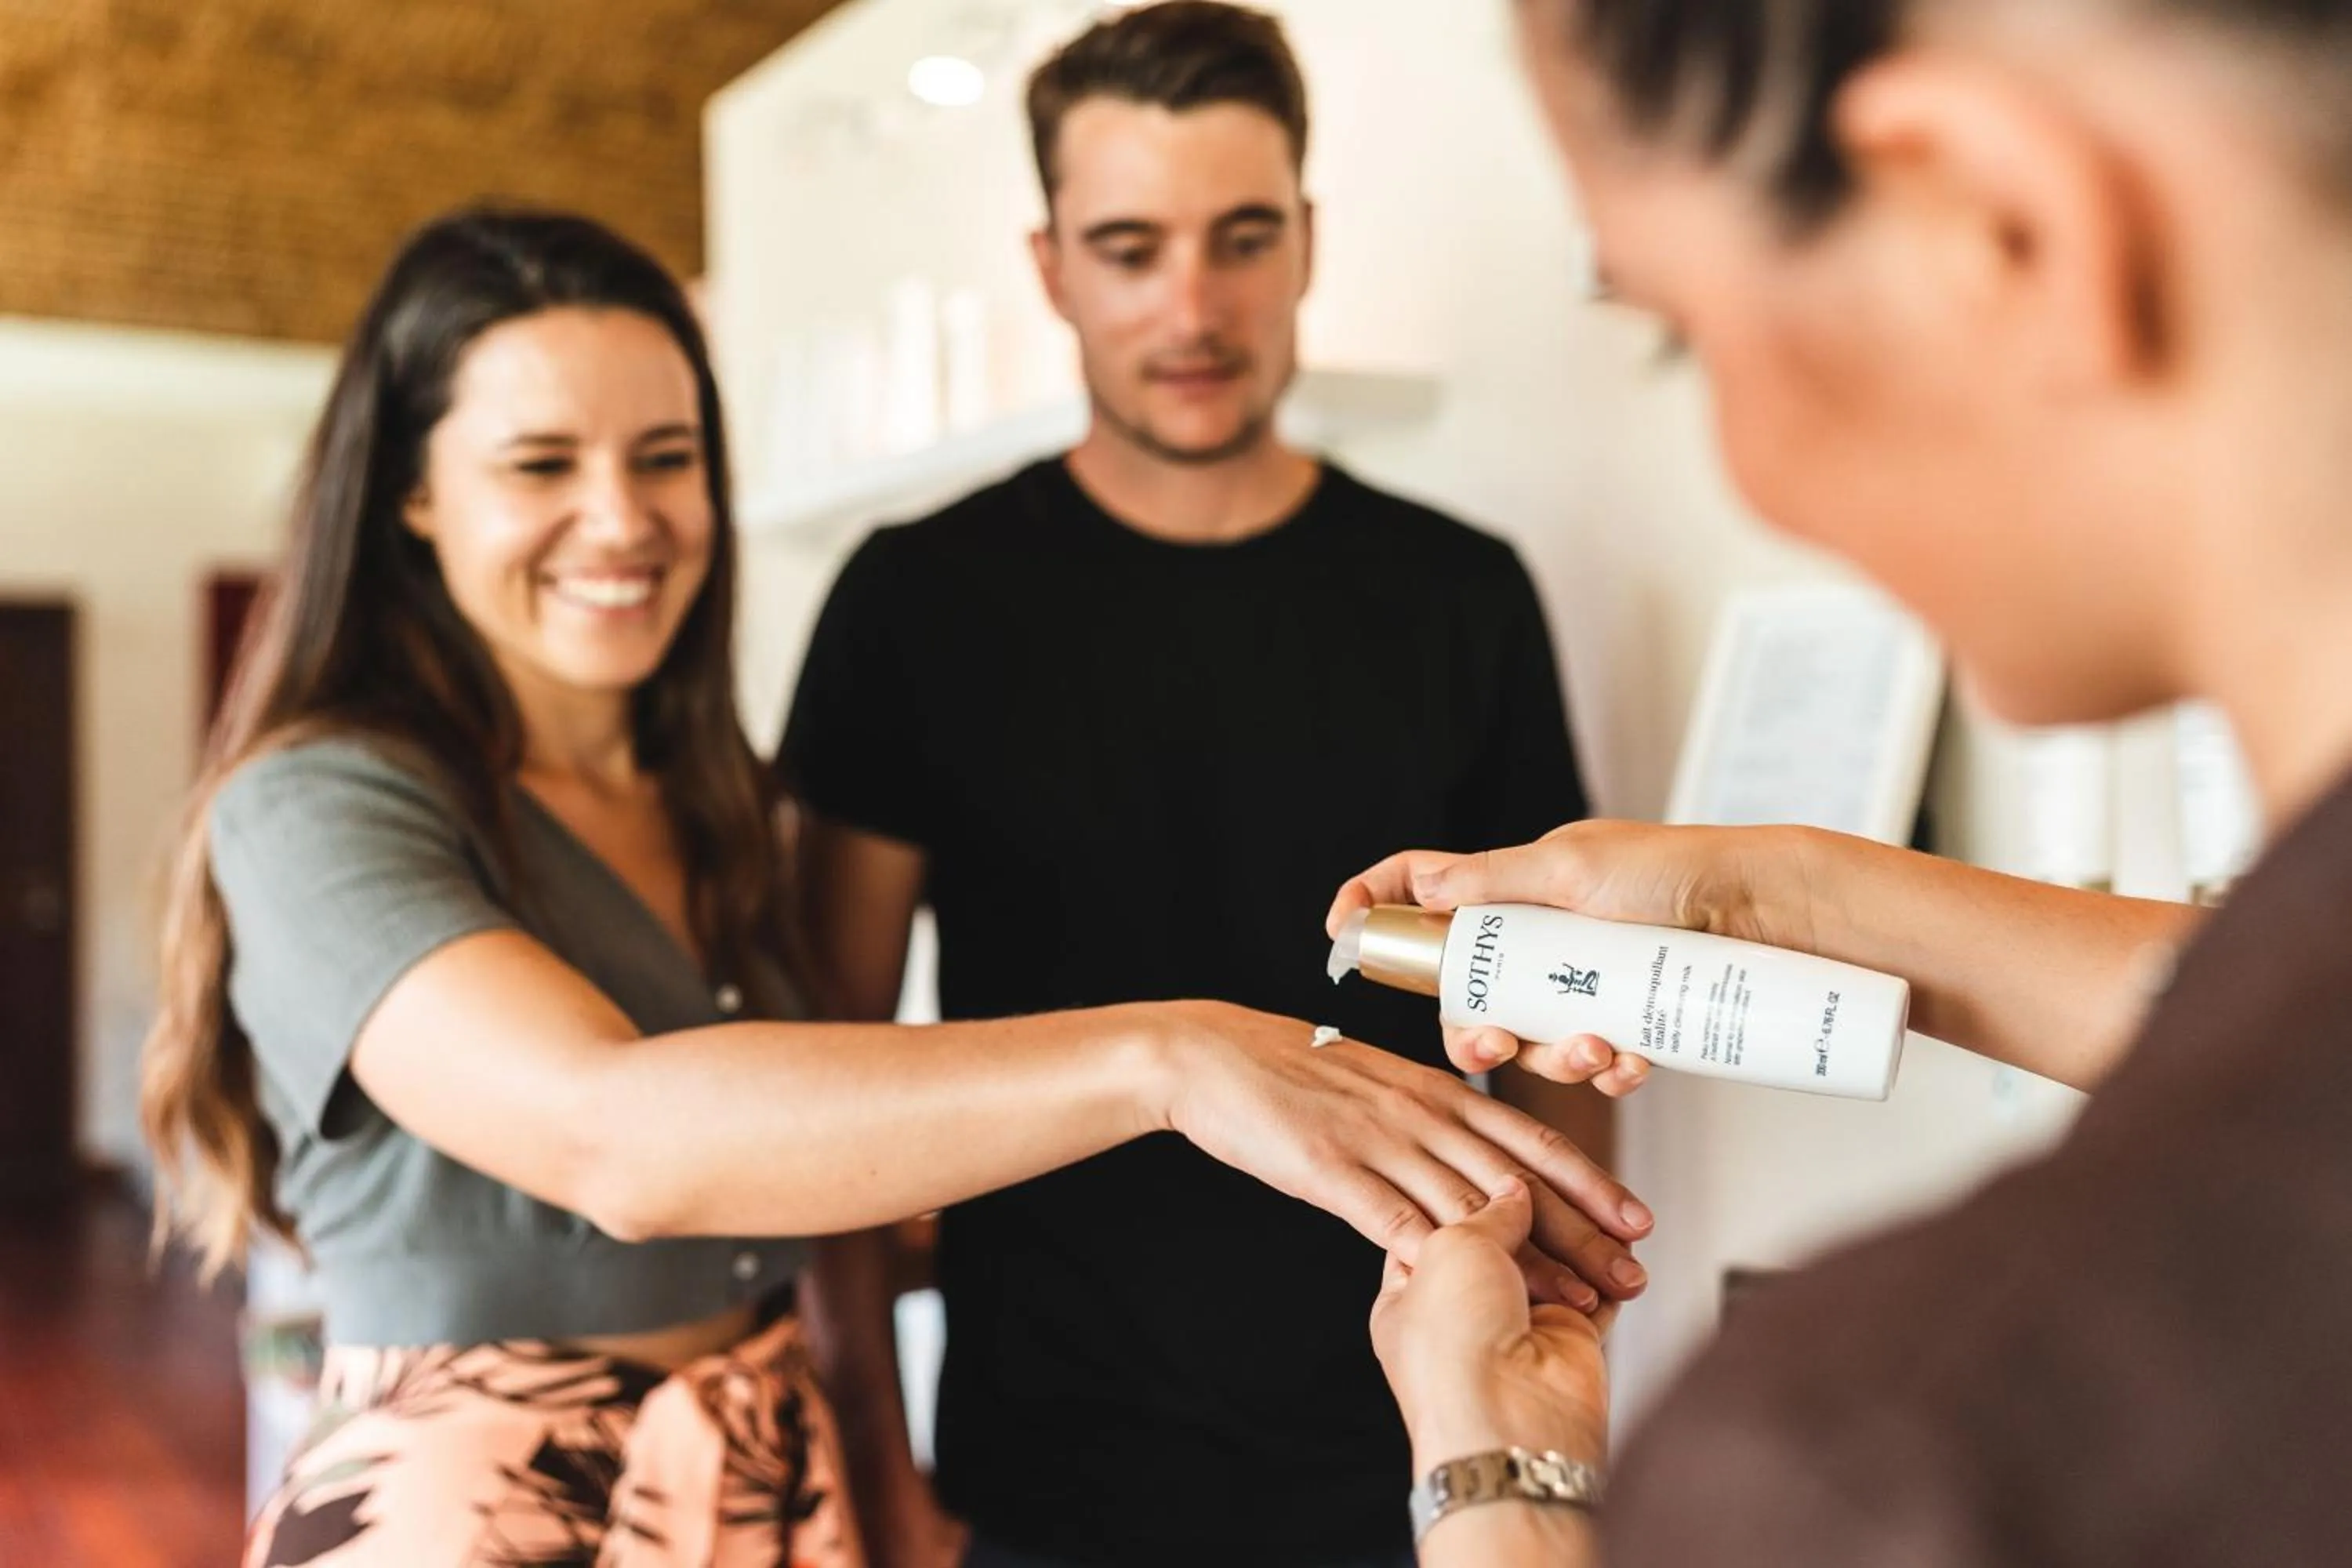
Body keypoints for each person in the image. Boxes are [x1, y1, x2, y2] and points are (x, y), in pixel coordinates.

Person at [136, 206, 1650, 1567]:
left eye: (666, 459)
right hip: (473, 1502)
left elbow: (807, 1151)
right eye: (542, 464)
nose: (622, 519)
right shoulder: (316, 804)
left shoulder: (712, 797)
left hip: (771, 1480)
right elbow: (618, 1143)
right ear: (408, 496)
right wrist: (1178, 1057)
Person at [1348, 0, 2352, 1562]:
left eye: (1685, 328)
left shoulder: (1904, 1449)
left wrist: (1505, 1493)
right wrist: (1775, 893)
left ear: (1997, 225)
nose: (1748, 463)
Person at [775, 7, 1645, 1567]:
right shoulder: (915, 602)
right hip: (1037, 1480)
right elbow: (821, 1073)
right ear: (1050, 268)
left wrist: (1536, 1408)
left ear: (1307, 244)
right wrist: (877, 1479)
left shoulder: (1460, 595)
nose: (1193, 304)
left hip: (1410, 1454)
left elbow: (1560, 1041)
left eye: (1242, 238)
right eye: (1130, 246)